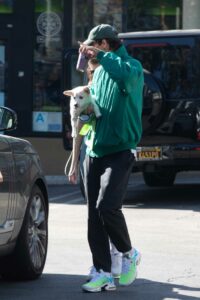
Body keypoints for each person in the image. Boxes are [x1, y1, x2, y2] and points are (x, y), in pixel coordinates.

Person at [79, 24, 144, 293]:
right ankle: (103, 272)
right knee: (94, 216)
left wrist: (101, 57)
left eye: (93, 47)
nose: (89, 52)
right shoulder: (100, 70)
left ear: (105, 44)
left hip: (121, 149)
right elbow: (98, 106)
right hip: (95, 149)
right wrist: (85, 113)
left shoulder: (131, 67)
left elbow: (123, 76)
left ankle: (129, 253)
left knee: (107, 206)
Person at [65, 58, 123, 278]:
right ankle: (101, 263)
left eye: (94, 69)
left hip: (111, 157)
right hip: (89, 158)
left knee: (108, 207)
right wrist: (72, 167)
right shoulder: (81, 99)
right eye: (91, 70)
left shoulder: (104, 95)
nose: (92, 72)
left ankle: (118, 253)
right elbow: (77, 138)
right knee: (93, 213)